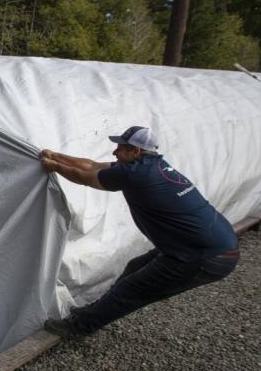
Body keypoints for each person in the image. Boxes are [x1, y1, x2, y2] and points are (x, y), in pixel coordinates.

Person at [40, 125, 239, 339]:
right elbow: (92, 165)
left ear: (136, 152)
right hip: (207, 243)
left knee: (132, 289)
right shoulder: (152, 165)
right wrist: (56, 156)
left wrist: (53, 167)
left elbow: (85, 177)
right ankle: (94, 312)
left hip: (205, 255)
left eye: (121, 148)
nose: (115, 152)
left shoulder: (137, 174)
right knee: (134, 268)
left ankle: (78, 327)